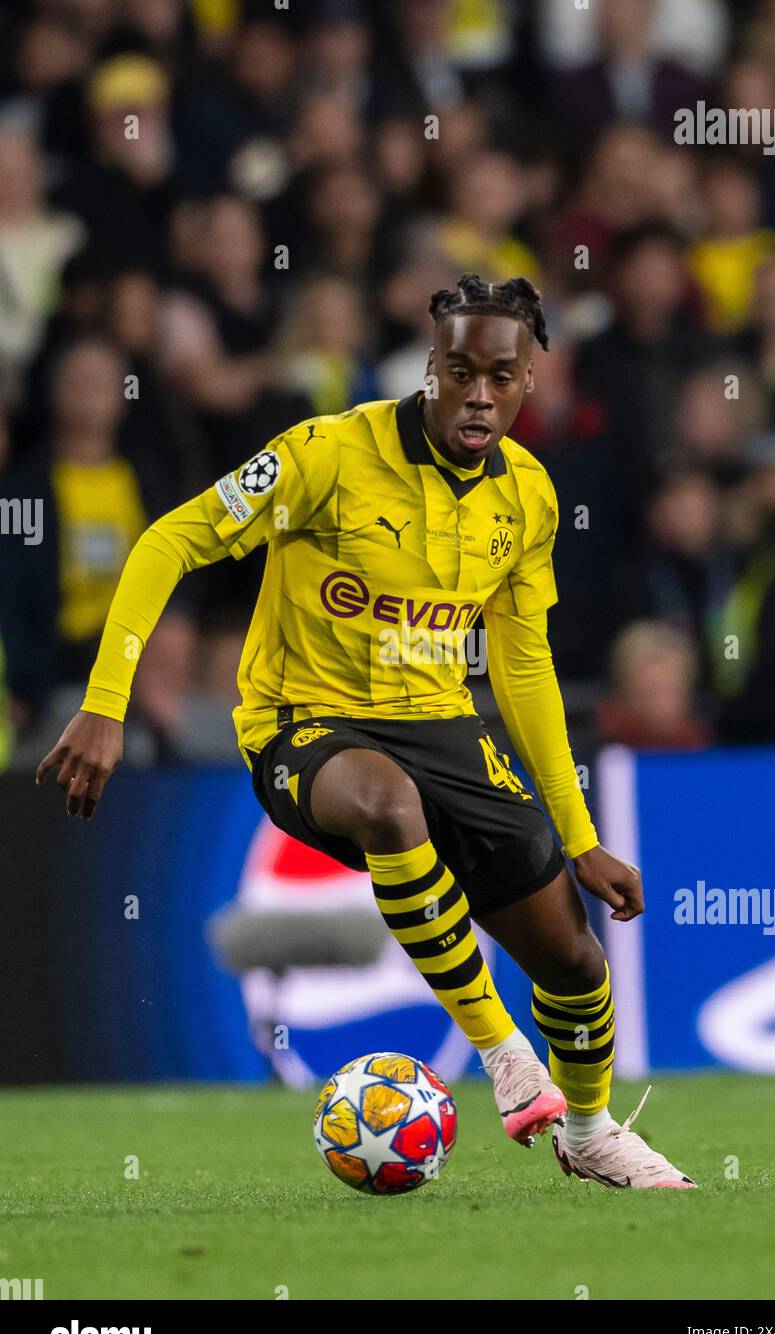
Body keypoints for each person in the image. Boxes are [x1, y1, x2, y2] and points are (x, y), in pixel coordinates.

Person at [36, 274, 694, 1190]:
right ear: (429, 367)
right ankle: (505, 1059)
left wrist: (580, 837)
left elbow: (523, 667)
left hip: (440, 724)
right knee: (388, 804)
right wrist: (106, 699)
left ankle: (588, 1135)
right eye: (457, 370)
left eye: (499, 376)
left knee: (576, 962)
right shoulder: (326, 453)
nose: (477, 393)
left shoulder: (529, 499)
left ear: (528, 381)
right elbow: (168, 542)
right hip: (303, 725)